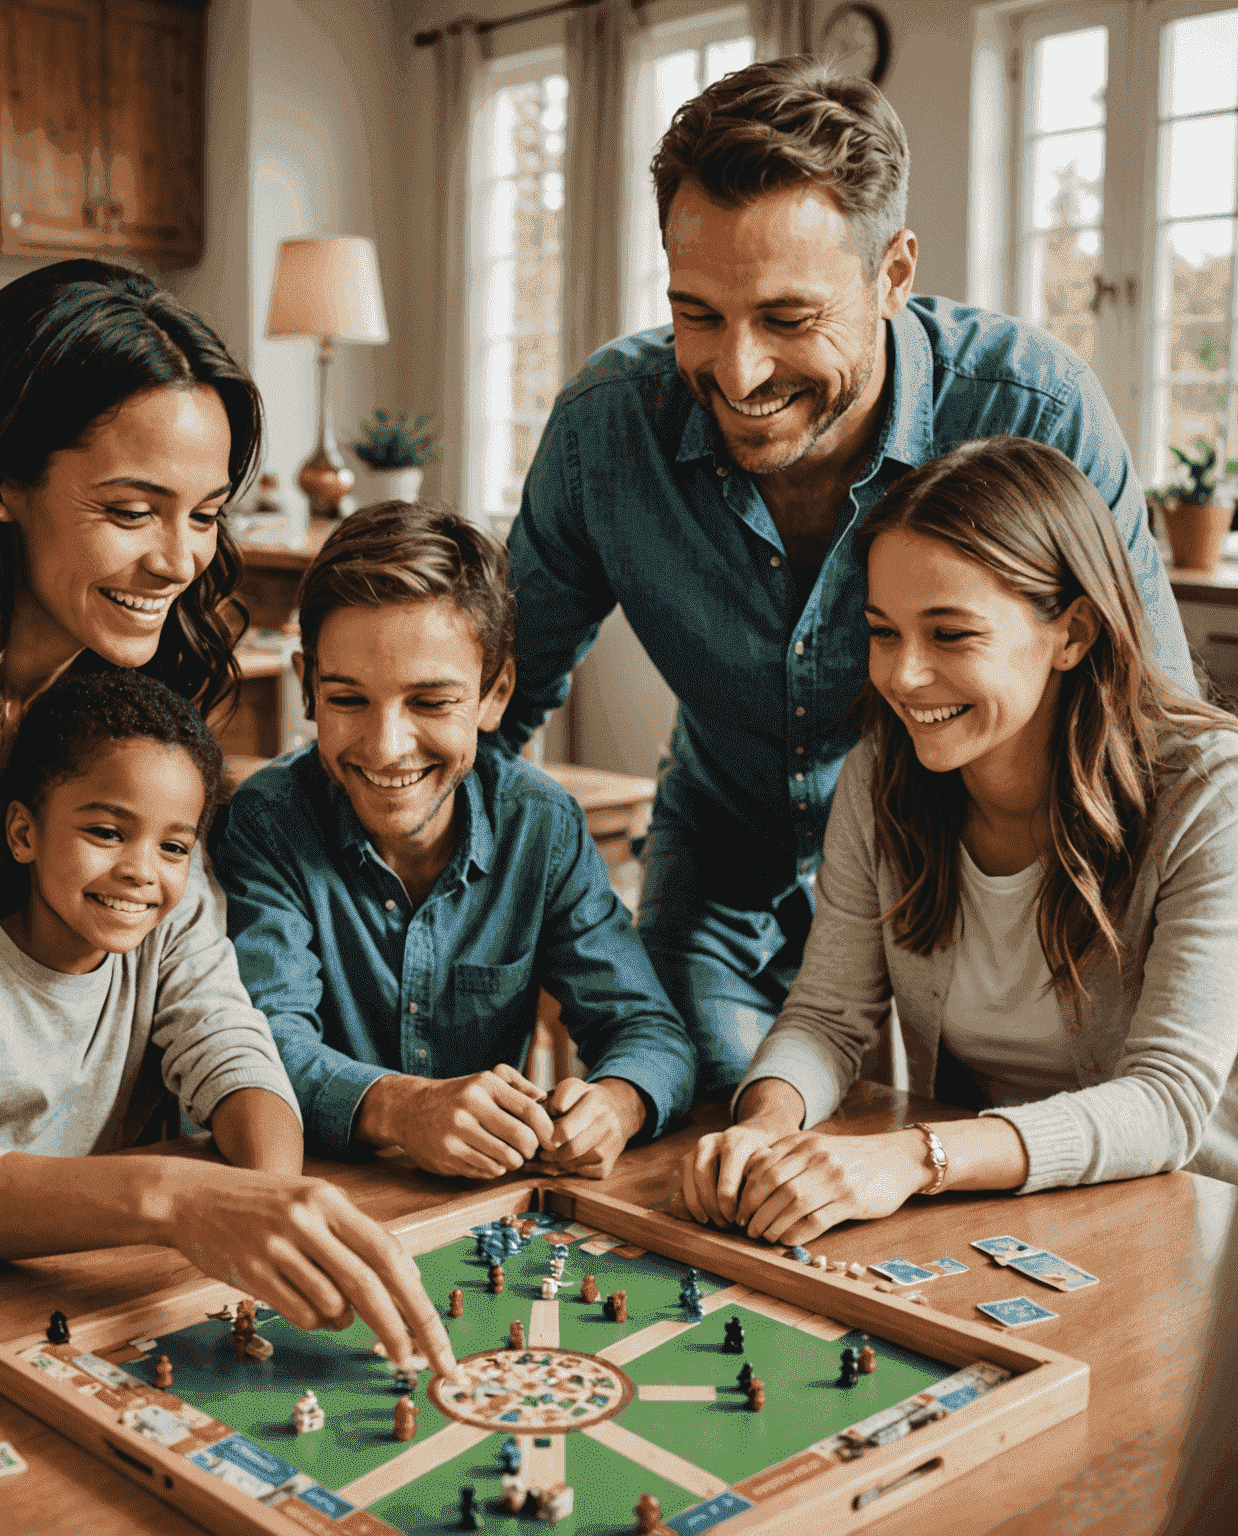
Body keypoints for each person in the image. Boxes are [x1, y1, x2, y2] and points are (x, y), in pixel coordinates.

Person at [0, 260, 454, 1377]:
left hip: (35, 1195)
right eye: (129, 510)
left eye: (203, 515)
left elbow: (211, 1010)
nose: (179, 561)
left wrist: (270, 1193)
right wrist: (170, 1196)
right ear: (1, 477)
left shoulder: (116, 691)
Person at [501, 55, 1195, 1098]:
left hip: (984, 885)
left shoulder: (1034, 409)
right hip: (724, 859)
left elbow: (1151, 722)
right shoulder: (608, 429)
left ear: (893, 275)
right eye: (698, 313)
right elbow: (488, 701)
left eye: (787, 319)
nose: (735, 375)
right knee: (722, 1141)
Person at [676, 438, 1238, 1243]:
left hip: (1187, 1223)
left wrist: (912, 1159)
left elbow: (1166, 1101)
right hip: (993, 1210)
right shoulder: (881, 776)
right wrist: (767, 1122)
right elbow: (831, 1015)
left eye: (949, 635)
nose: (902, 676)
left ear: (1072, 633)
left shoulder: (1212, 794)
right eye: (882, 632)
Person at [215, 502, 695, 1180]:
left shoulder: (541, 825)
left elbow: (649, 1031)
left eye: (431, 703)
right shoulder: (268, 821)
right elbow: (257, 1048)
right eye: (348, 699)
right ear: (308, 688)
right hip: (312, 1199)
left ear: (495, 694)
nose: (386, 748)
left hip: (477, 1210)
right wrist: (402, 1108)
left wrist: (615, 1104)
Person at [0, 670, 303, 1181]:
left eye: (173, 848)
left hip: (110, 1252)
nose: (140, 871)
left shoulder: (158, 949)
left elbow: (230, 1050)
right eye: (107, 832)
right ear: (24, 834)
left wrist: (273, 1191)